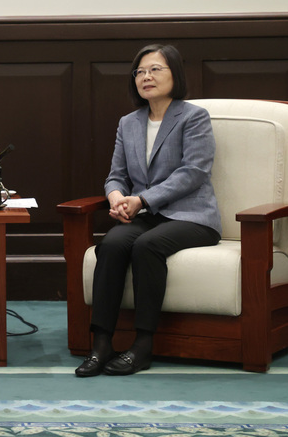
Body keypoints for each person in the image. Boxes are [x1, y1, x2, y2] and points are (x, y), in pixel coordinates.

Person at [74, 44, 222, 378]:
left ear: (175, 75)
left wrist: (142, 200)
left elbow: (193, 172)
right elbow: (117, 175)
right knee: (110, 244)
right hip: (148, 215)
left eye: (155, 69)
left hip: (192, 216)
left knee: (146, 246)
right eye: (140, 71)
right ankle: (100, 344)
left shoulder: (193, 117)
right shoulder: (129, 122)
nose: (146, 77)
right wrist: (115, 197)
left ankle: (142, 345)